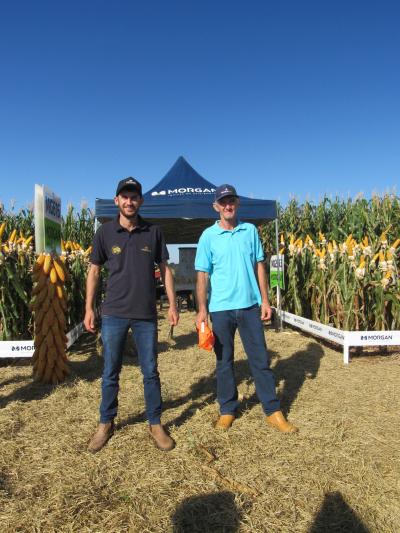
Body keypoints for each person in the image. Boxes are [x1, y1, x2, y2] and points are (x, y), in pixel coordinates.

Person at [85, 177, 179, 453]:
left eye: (134, 197)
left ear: (140, 201)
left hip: (145, 315)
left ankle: (155, 423)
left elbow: (165, 269)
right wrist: (89, 308)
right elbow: (93, 272)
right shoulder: (104, 233)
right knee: (110, 371)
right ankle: (106, 423)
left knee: (150, 371)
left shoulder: (153, 232)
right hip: (113, 312)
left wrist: (173, 304)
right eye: (124, 197)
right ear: (117, 201)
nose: (129, 201)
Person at [195, 184, 298, 432]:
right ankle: (227, 410)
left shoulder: (250, 230)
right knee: (224, 362)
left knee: (260, 360)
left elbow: (260, 266)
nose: (228, 205)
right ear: (216, 207)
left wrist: (265, 300)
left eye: (231, 201)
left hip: (250, 306)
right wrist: (201, 309)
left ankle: (272, 411)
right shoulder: (208, 236)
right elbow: (202, 275)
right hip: (220, 309)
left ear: (237, 204)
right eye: (223, 202)